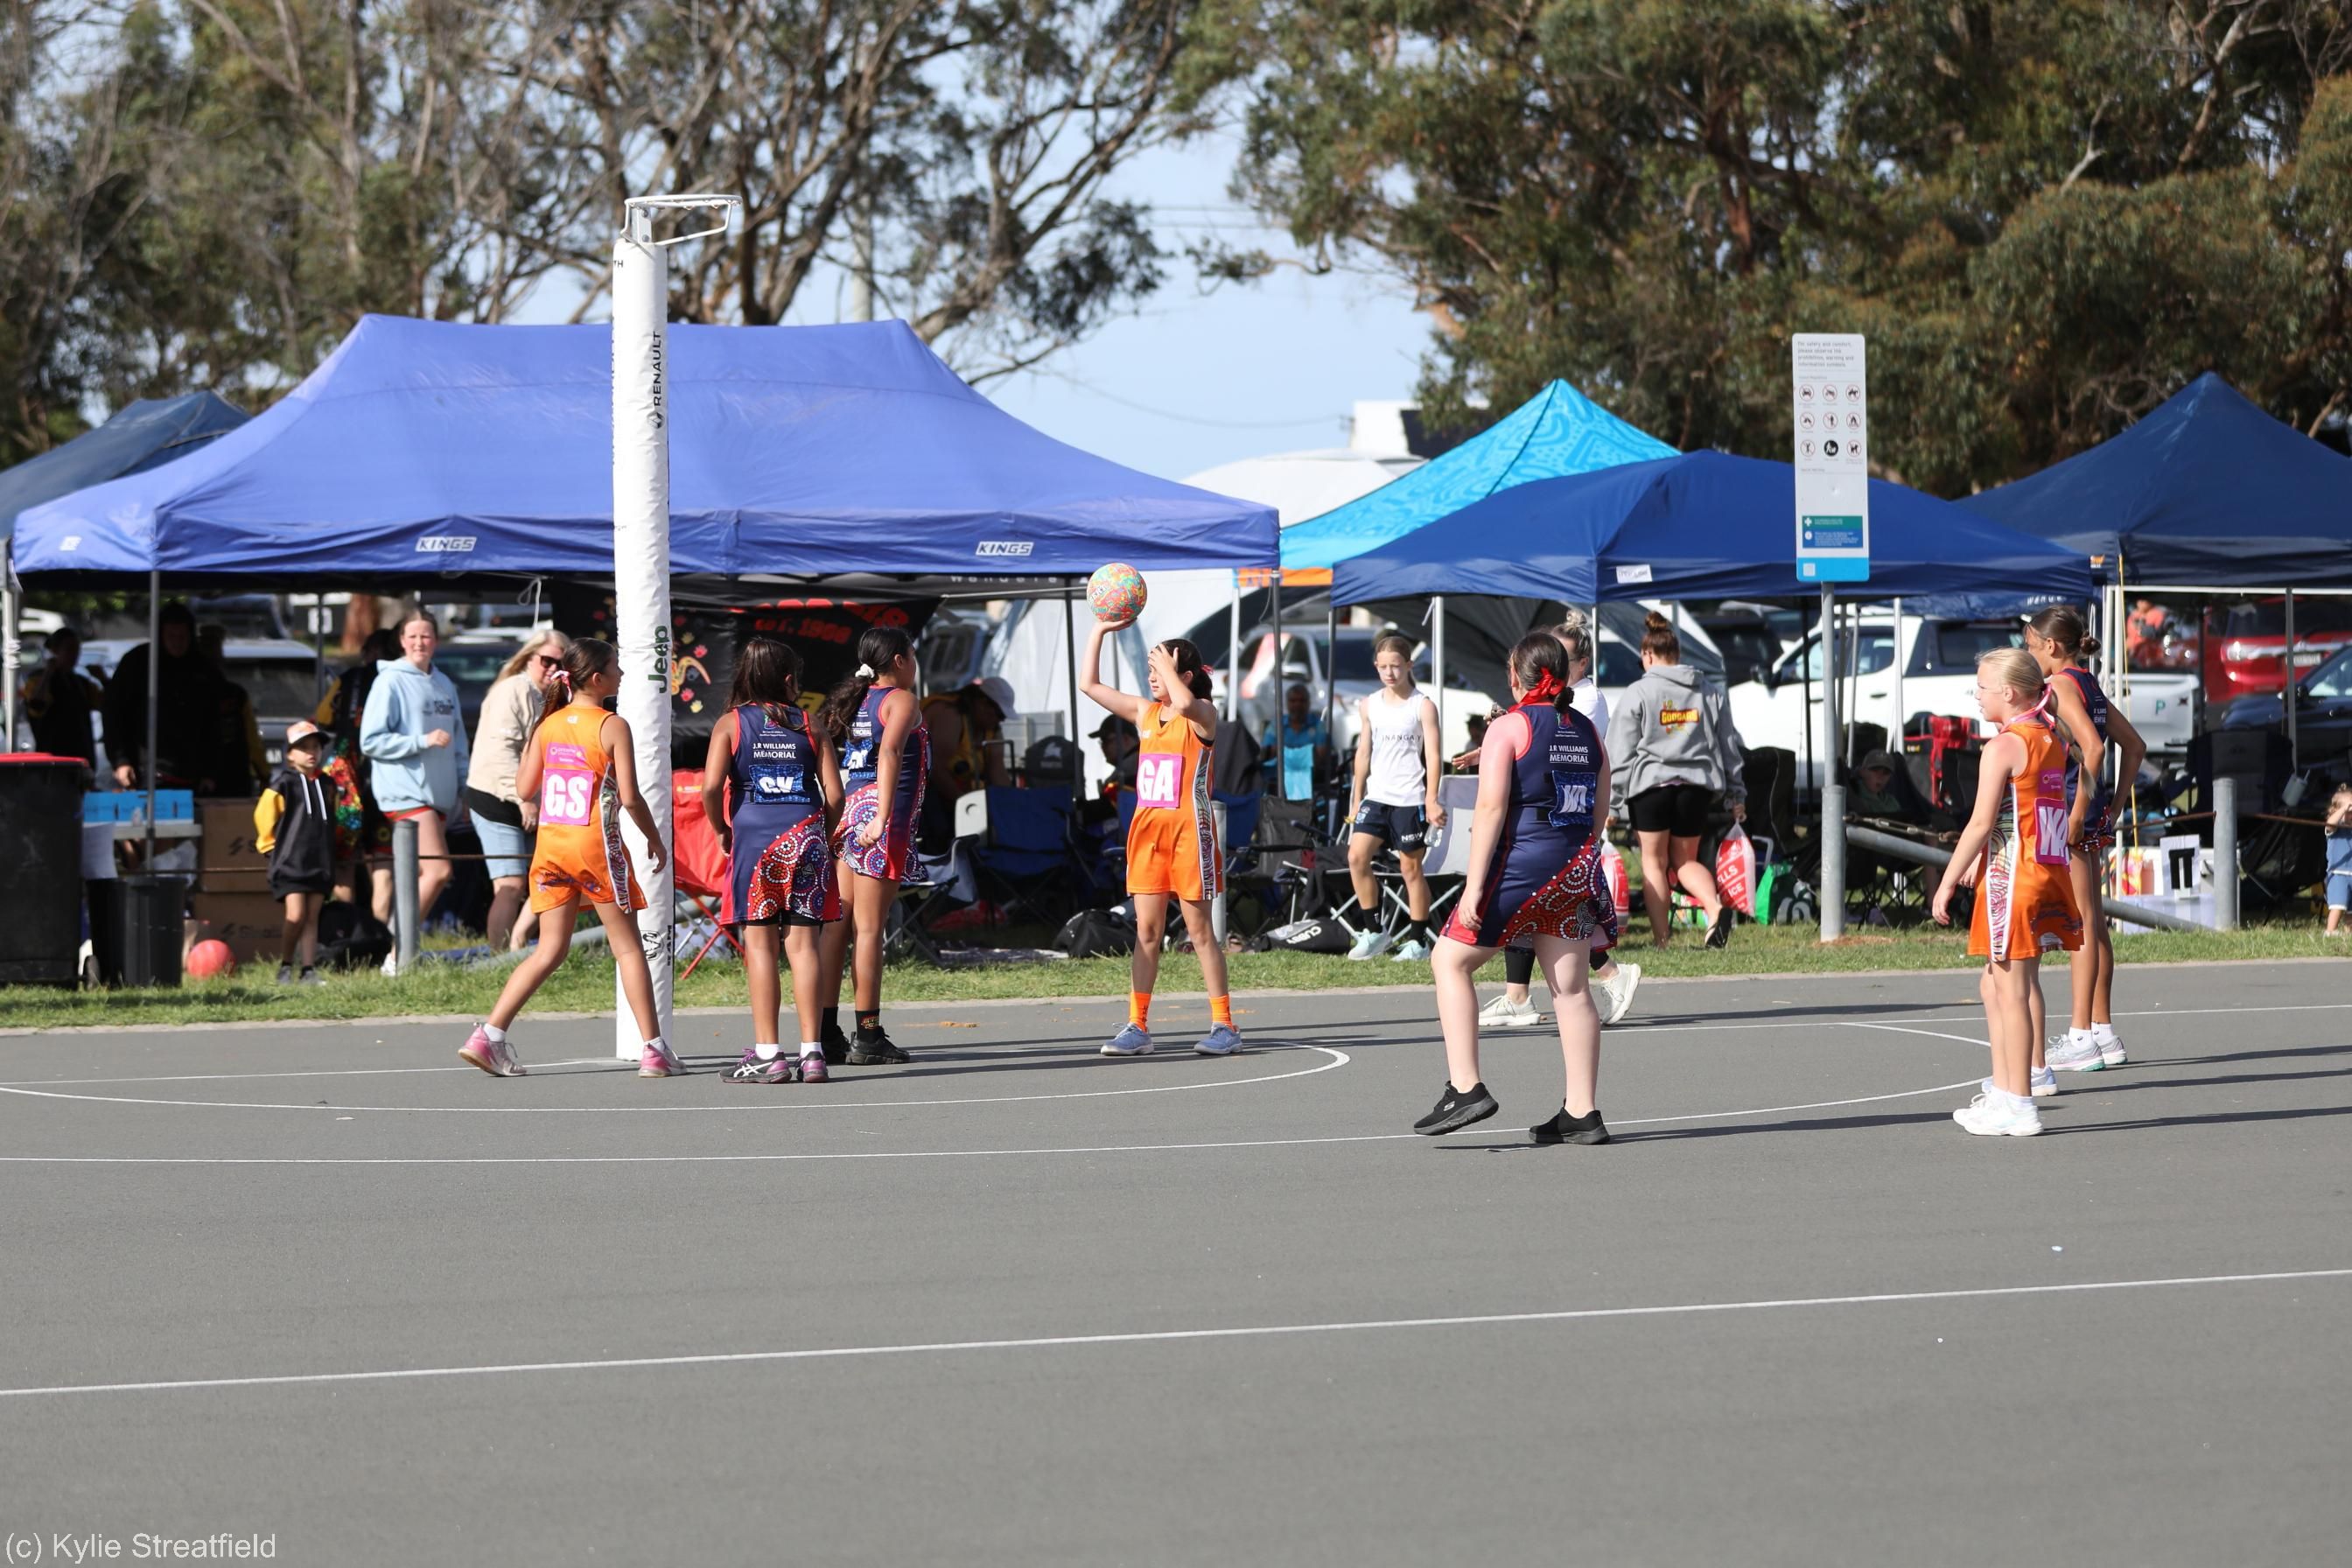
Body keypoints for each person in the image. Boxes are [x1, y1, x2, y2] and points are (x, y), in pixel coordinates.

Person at [1414, 632, 1615, 1143]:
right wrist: (1579, 853)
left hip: (1521, 866)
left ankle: (1466, 1087)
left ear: (1515, 676)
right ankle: (1582, 1111)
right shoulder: (1588, 730)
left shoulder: (1509, 726)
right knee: (1572, 990)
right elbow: (1600, 810)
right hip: (1574, 868)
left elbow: (1489, 809)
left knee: (1449, 961)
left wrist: (1474, 887)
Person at [459, 638, 680, 1079]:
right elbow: (631, 797)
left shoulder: (550, 724)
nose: (622, 673)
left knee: (549, 950)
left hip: (552, 850)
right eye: (616, 667)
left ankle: (490, 1034)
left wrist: (541, 737)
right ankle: (654, 1049)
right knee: (628, 948)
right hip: (594, 848)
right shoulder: (612, 725)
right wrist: (655, 840)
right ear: (597, 679)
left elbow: (524, 789)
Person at [1930, 648, 2083, 1138]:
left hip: (2014, 877)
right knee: (1995, 985)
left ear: (2009, 693)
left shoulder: (2004, 746)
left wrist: (1948, 880)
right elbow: (2021, 814)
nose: (1976, 695)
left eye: (1982, 687)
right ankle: (2005, 1089)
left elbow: (1980, 823)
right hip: (2043, 871)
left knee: (2011, 992)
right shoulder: (2051, 737)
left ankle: (2019, 1101)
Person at [1081, 615, 1242, 1058]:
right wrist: (1099, 630)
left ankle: (1225, 1025)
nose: (1152, 679)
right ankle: (1137, 1026)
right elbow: (1089, 685)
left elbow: (1187, 703)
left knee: (1200, 932)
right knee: (1147, 932)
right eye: (1150, 672)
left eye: (1161, 671)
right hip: (1149, 835)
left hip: (1191, 833)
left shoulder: (1202, 714)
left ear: (1184, 676)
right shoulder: (1146, 714)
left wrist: (1170, 670)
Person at [1485, 613, 1642, 1028]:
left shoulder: (1583, 704)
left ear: (1580, 663)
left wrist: (1510, 730)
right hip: (1554, 820)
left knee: (1549, 915)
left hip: (1562, 821)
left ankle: (1610, 973)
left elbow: (1559, 750)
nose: (1550, 669)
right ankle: (1518, 995)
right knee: (1540, 913)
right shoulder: (1548, 710)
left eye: (1560, 659)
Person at [704, 637, 843, 1085]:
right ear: (787, 680)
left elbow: (711, 788)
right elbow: (835, 794)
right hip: (806, 836)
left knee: (761, 948)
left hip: (755, 843)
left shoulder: (731, 723)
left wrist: (721, 827)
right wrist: (821, 831)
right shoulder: (810, 723)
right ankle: (813, 1053)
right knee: (804, 947)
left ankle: (768, 1054)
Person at [2027, 606, 2144, 1074]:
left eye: (2031, 647)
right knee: (2093, 922)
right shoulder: (2087, 682)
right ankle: (2101, 1030)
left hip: (2071, 811)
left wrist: (2078, 812)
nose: (2028, 655)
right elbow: (2134, 746)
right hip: (2089, 810)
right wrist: (2111, 807)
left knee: (2081, 923)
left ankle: (2080, 1036)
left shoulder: (2060, 684)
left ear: (2051, 646)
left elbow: (2094, 749)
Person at [816, 627, 928, 1067]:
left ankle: (824, 1032)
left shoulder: (860, 698)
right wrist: (882, 817)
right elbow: (890, 753)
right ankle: (868, 1034)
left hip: (852, 809)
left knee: (837, 925)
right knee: (867, 930)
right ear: (899, 660)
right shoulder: (901, 700)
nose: (915, 663)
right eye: (912, 655)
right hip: (880, 816)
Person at [1606, 610, 1746, 949]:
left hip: (1650, 788)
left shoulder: (1639, 692)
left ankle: (1662, 941)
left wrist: (1611, 802)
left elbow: (1620, 751)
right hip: (1695, 789)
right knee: (1686, 862)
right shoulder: (1709, 692)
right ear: (1678, 654)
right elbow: (1729, 744)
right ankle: (1714, 909)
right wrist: (1736, 793)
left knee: (1654, 864)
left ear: (1647, 655)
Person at [360, 611, 468, 935]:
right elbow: (370, 740)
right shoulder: (389, 680)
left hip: (441, 796)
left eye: (426, 636)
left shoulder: (444, 683)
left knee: (419, 875)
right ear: (402, 641)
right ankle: (396, 944)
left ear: (436, 640)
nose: (420, 643)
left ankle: (399, 947)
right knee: (438, 871)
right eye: (413, 636)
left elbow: (459, 741)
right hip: (407, 792)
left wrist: (464, 788)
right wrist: (421, 741)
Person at [465, 630, 572, 951]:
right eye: (547, 660)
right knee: (510, 885)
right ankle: (498, 958)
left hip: (532, 799)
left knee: (549, 874)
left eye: (561, 664)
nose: (553, 668)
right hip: (496, 797)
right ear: (529, 658)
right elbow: (500, 753)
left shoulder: (551, 697)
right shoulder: (513, 690)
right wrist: (523, 799)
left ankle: (518, 944)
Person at [1340, 633, 1446, 960]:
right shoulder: (1369, 704)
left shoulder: (1422, 705)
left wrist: (1431, 799)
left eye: (1396, 666)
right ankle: (1374, 932)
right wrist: (1357, 796)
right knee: (1356, 857)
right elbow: (1363, 752)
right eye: (1384, 667)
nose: (1390, 672)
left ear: (1409, 665)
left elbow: (1434, 755)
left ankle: (1418, 941)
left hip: (1409, 797)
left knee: (1410, 869)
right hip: (1377, 796)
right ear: (1376, 666)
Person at [319, 628, 402, 919]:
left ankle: (350, 930)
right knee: (383, 864)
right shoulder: (401, 680)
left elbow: (323, 717)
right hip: (386, 782)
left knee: (345, 863)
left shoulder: (348, 679)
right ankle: (379, 932)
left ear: (369, 652)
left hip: (347, 785)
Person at [102, 600, 225, 792]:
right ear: (160, 635)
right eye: (171, 636)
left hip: (193, 774)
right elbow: (114, 714)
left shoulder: (203, 668)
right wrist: (121, 761)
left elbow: (214, 724)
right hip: (144, 771)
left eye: (182, 636)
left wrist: (210, 772)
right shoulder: (137, 663)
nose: (177, 642)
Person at [253, 721, 338, 984]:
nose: (311, 753)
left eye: (316, 747)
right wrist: (269, 847)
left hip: (320, 861)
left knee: (312, 917)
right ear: (289, 754)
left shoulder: (328, 784)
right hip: (292, 863)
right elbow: (263, 816)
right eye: (304, 748)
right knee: (296, 915)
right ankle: (286, 965)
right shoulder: (283, 785)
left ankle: (308, 970)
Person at [921, 676, 1015, 803]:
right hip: (925, 792)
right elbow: (935, 768)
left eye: (1003, 717)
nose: (1000, 721)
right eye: (999, 714)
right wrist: (966, 804)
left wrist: (1013, 802)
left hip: (956, 795)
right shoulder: (950, 716)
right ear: (982, 703)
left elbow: (998, 773)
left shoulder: (993, 730)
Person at [197, 624, 265, 796]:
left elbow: (252, 740)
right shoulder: (234, 694)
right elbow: (253, 741)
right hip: (230, 779)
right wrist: (264, 773)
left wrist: (263, 772)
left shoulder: (235, 695)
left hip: (215, 780)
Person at [22, 626, 102, 767]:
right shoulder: (37, 680)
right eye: (69, 649)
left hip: (82, 759)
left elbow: (106, 705)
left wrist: (103, 680)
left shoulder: (82, 683)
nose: (74, 654)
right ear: (55, 651)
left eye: (77, 649)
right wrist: (48, 672)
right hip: (53, 762)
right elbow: (36, 705)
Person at [1260, 682, 1328, 803]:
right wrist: (1303, 754)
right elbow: (1267, 752)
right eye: (1293, 701)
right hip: (1277, 780)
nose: (1297, 705)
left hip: (1311, 780)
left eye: (1302, 701)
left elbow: (1321, 755)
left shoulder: (1318, 725)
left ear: (1308, 703)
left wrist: (1287, 754)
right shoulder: (1276, 724)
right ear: (1287, 703)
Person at [2323, 783, 2352, 937]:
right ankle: (2330, 931)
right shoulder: (2335, 828)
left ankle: (2349, 933)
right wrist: (2344, 809)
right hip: (2338, 874)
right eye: (2349, 812)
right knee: (2338, 905)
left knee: (2351, 911)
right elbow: (2330, 823)